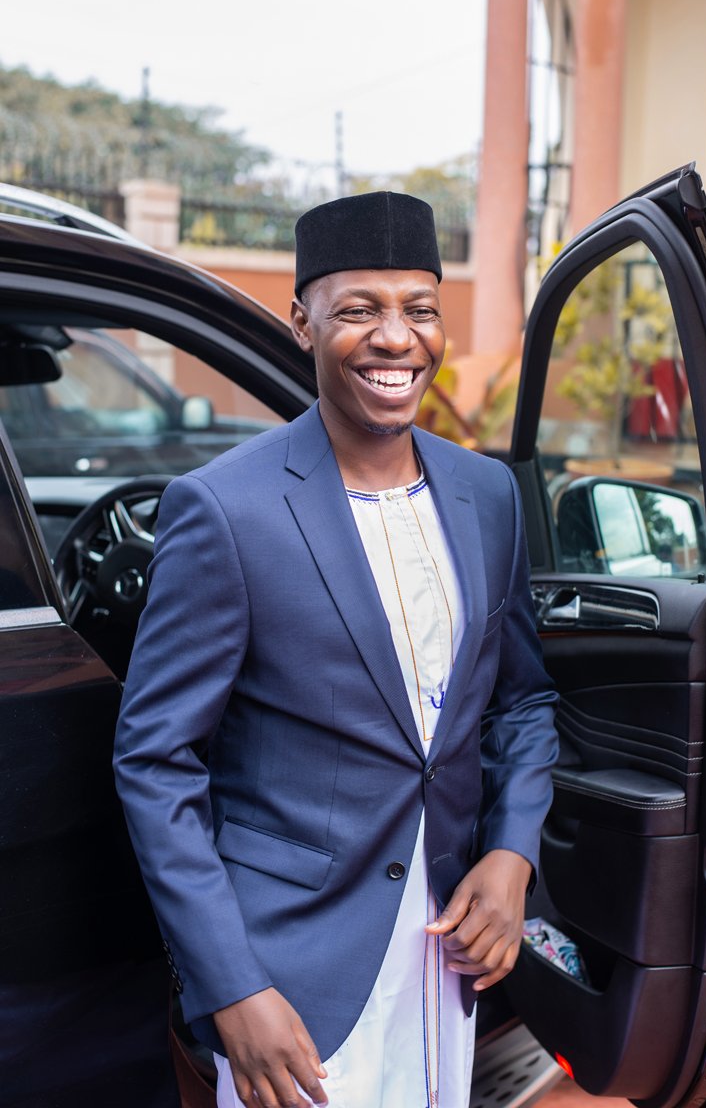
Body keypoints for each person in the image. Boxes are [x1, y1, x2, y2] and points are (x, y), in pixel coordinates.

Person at [114, 191, 559, 1108]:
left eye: (419, 309)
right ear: (302, 323)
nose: (396, 339)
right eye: (358, 310)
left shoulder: (487, 494)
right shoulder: (224, 508)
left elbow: (520, 701)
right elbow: (156, 762)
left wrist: (512, 853)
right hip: (292, 975)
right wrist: (231, 986)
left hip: (449, 952)